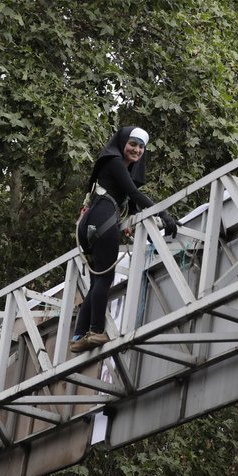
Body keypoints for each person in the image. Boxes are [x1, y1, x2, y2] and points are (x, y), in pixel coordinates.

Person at [70, 126, 177, 353]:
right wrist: (164, 214)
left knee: (97, 280)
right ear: (121, 143)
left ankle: (79, 335)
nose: (137, 150)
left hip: (92, 223)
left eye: (141, 147)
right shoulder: (116, 163)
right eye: (133, 144)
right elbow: (136, 194)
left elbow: (133, 201)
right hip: (102, 221)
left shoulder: (117, 168)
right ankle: (96, 330)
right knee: (105, 277)